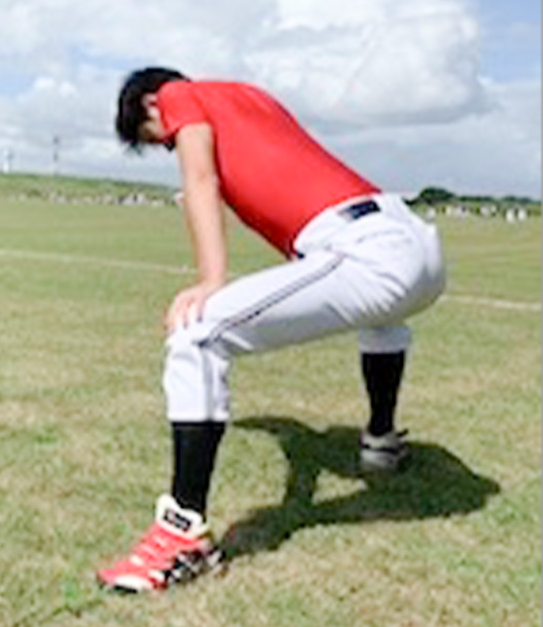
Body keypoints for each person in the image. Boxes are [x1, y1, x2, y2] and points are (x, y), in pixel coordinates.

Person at [96, 67, 446, 592]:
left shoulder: (175, 94)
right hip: (416, 244)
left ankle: (181, 535)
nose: (171, 144)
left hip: (369, 252)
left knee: (197, 332)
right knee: (382, 318)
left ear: (149, 103)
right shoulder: (247, 96)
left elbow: (200, 180)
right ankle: (380, 442)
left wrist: (210, 280)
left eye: (160, 141)